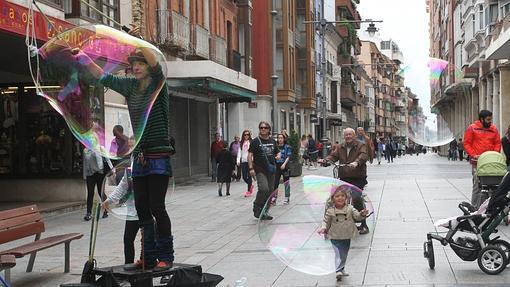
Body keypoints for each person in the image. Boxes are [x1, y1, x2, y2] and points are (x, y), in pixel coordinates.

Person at [75, 27, 175, 270]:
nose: (136, 66)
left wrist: (139, 43)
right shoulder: (130, 87)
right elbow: (103, 77)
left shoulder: (158, 86)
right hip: (140, 157)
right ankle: (148, 256)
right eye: (134, 63)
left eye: (141, 63)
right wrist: (83, 57)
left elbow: (157, 64)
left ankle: (166, 256)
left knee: (156, 207)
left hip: (159, 154)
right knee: (141, 208)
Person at [321, 128, 370, 234]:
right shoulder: (340, 147)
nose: (348, 136)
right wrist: (326, 160)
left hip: (358, 177)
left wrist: (356, 162)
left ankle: (363, 224)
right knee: (336, 198)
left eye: (350, 134)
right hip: (344, 177)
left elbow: (363, 155)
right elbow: (333, 156)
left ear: (354, 135)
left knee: (356, 198)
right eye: (346, 135)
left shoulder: (360, 145)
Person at [318, 186, 368, 281]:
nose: (340, 198)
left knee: (344, 254)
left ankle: (341, 268)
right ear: (333, 199)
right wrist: (323, 228)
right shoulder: (330, 210)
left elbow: (357, 216)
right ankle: (338, 271)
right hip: (334, 236)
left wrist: (362, 214)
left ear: (346, 198)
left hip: (346, 235)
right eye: (337, 196)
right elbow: (325, 221)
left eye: (342, 196)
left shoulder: (350, 208)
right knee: (338, 253)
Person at [464, 110, 502, 209]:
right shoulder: (472, 128)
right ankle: (474, 208)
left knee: (493, 185)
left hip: (490, 162)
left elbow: (497, 143)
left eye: (491, 119)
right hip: (477, 162)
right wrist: (474, 154)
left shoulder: (494, 129)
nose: (490, 122)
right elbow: (467, 143)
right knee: (477, 186)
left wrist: (494, 153)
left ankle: (491, 207)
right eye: (488, 120)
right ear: (481, 119)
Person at [102, 162, 139, 264]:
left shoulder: (149, 166)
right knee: (128, 239)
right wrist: (108, 201)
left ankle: (148, 262)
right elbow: (122, 186)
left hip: (147, 210)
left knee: (148, 239)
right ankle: (129, 264)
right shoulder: (129, 170)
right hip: (132, 211)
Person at [248, 121, 280, 220]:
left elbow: (278, 152)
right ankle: (257, 206)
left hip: (271, 169)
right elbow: (250, 155)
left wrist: (278, 156)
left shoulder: (272, 141)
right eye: (261, 128)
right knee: (264, 189)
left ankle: (264, 211)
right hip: (259, 169)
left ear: (268, 129)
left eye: (265, 128)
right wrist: (251, 168)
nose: (263, 129)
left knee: (270, 191)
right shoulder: (255, 141)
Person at [83, 147, 107, 221]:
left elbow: (106, 160)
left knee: (101, 192)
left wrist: (112, 170)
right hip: (90, 174)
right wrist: (84, 175)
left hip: (100, 173)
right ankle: (88, 213)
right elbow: (85, 163)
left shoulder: (100, 148)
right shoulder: (86, 150)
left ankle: (105, 210)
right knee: (90, 193)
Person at [273, 133, 292, 205]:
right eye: (279, 138)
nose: (280, 139)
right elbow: (273, 155)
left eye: (281, 138)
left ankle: (287, 198)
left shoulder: (287, 147)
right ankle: (274, 198)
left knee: (286, 182)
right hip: (276, 167)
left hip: (285, 166)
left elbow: (288, 156)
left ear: (284, 139)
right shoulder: (275, 147)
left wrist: (284, 164)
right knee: (275, 183)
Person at [237, 130, 254, 197]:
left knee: (249, 176)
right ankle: (250, 185)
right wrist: (238, 160)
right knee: (244, 176)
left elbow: (254, 151)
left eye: (247, 134)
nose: (246, 136)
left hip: (250, 161)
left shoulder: (251, 142)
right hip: (243, 161)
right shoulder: (241, 143)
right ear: (243, 135)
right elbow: (239, 152)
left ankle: (249, 191)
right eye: (245, 135)